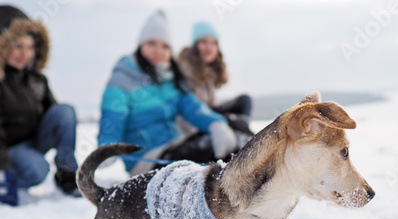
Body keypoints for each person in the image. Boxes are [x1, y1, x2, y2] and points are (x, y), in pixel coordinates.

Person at [98, 10, 237, 175]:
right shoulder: (122, 80)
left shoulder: (170, 77)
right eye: (152, 44)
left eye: (164, 46)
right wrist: (106, 149)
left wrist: (215, 123)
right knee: (209, 149)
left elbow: (193, 107)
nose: (158, 51)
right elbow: (112, 120)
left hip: (176, 145)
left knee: (236, 132)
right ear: (141, 45)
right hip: (148, 160)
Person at [0, 6, 81, 206]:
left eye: (30, 47)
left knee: (65, 111)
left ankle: (67, 173)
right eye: (18, 46)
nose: (25, 54)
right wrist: (2, 169)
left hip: (34, 142)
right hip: (8, 149)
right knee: (38, 169)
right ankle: (6, 183)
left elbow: (55, 117)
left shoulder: (37, 80)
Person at [160, 21, 253, 163]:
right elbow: (186, 109)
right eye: (204, 42)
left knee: (244, 101)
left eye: (213, 43)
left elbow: (210, 104)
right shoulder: (184, 70)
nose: (209, 47)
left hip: (206, 115)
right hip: (192, 126)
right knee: (233, 122)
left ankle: (243, 138)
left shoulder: (208, 70)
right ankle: (248, 145)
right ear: (195, 45)